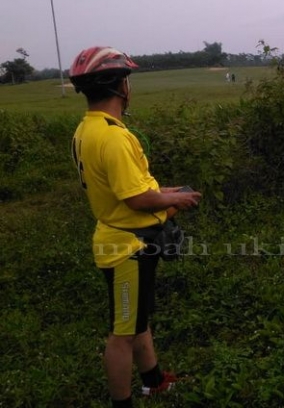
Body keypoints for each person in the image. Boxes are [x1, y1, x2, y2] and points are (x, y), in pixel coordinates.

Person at [69, 47, 202, 408]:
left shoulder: (88, 128)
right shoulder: (113, 137)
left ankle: (154, 382)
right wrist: (178, 200)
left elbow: (132, 187)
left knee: (136, 321)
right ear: (119, 87)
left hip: (123, 237)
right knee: (121, 335)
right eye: (126, 80)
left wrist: (166, 192)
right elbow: (137, 199)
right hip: (128, 247)